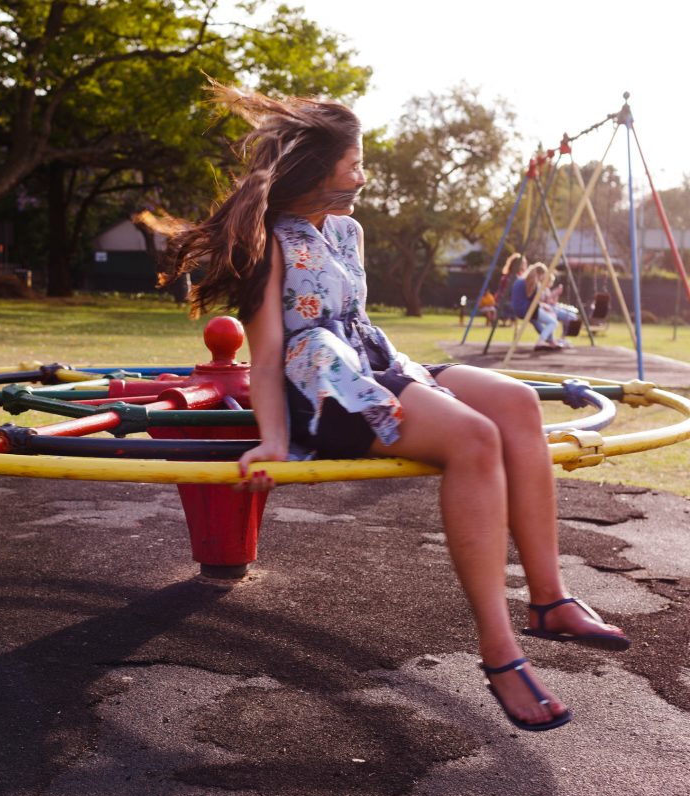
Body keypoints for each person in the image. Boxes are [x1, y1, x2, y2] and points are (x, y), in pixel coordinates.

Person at [165, 83, 630, 732]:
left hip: (372, 362)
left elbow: (356, 323)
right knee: (473, 438)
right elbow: (267, 354)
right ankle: (500, 654)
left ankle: (549, 600)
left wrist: (407, 376)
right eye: (353, 162)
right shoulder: (271, 243)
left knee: (518, 403)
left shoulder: (348, 231)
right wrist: (273, 437)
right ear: (317, 168)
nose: (361, 174)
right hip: (320, 390)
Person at [508, 257, 561, 350]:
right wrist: (545, 304)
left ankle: (551, 341)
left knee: (540, 320)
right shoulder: (533, 283)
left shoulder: (520, 280)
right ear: (540, 274)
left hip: (517, 309)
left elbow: (528, 299)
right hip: (527, 309)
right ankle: (540, 342)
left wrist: (542, 306)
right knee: (553, 322)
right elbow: (535, 300)